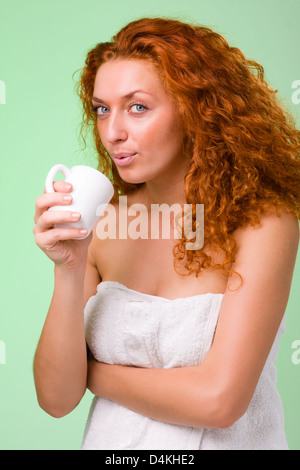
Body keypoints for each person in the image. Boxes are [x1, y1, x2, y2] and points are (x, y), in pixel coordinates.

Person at [33, 17, 300, 450]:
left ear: (197, 108)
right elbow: (56, 398)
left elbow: (219, 402)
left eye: (137, 107)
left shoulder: (264, 224)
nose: (113, 132)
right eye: (103, 108)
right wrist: (69, 267)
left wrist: (92, 372)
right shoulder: (100, 223)